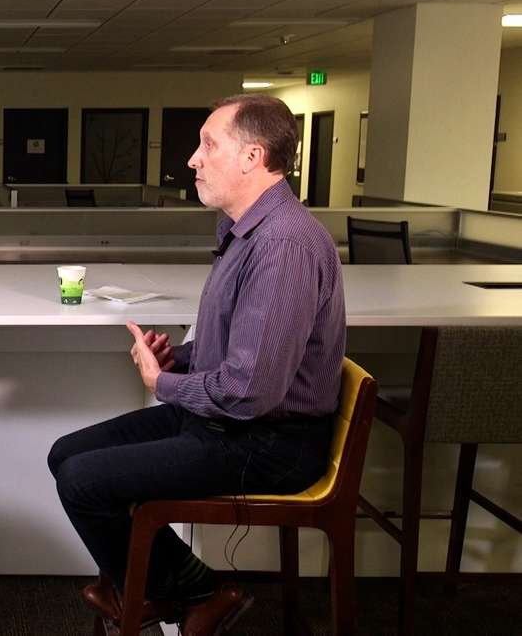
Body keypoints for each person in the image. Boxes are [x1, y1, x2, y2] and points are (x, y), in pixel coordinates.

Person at [48, 94, 346, 635]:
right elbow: (240, 353)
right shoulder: (244, 233)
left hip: (268, 442)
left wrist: (163, 383)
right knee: (66, 454)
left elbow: (249, 389)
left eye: (209, 144)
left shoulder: (282, 244)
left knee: (84, 481)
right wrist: (179, 358)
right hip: (232, 423)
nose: (192, 159)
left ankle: (190, 592)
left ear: (252, 157)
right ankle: (173, 592)